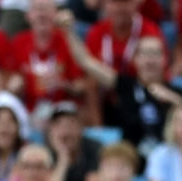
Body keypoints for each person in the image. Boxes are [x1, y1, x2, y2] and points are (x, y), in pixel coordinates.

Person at [62, 15, 180, 165]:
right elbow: (86, 62)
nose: (150, 60)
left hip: (169, 162)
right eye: (145, 54)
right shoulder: (125, 85)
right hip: (131, 162)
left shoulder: (176, 92)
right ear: (135, 59)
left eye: (156, 54)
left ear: (164, 59)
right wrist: (69, 31)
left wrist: (174, 100)